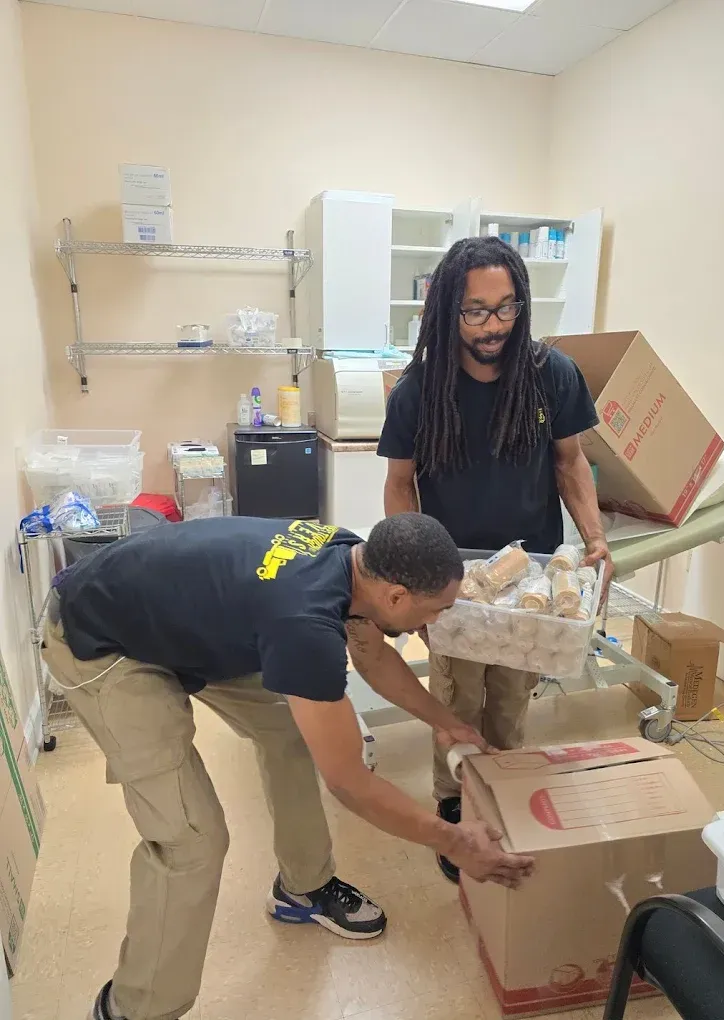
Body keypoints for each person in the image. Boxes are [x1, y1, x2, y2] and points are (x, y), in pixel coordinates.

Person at [41, 512, 534, 1020]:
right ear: (395, 597)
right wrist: (452, 840)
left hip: (182, 620)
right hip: (100, 639)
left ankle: (303, 887)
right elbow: (347, 780)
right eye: (436, 611)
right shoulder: (303, 623)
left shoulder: (352, 555)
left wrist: (445, 722)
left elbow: (373, 657)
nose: (435, 624)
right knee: (192, 842)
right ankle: (132, 1009)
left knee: (291, 732)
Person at [378, 235, 612, 883]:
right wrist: (410, 571)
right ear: (448, 309)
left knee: (510, 701)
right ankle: (455, 816)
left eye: (507, 309)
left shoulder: (551, 374)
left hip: (531, 577)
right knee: (456, 698)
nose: (493, 326)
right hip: (451, 580)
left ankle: (503, 800)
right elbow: (400, 484)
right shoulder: (420, 390)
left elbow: (570, 463)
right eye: (476, 311)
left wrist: (594, 538)